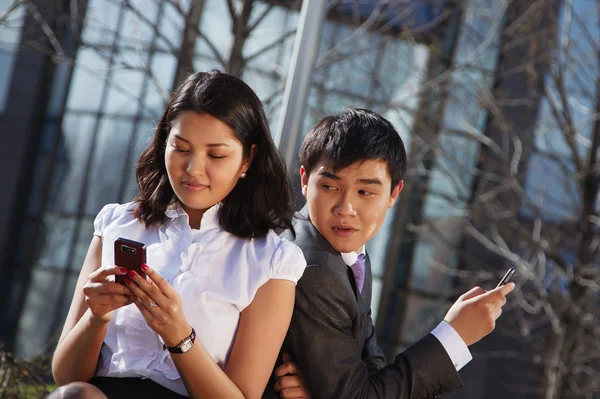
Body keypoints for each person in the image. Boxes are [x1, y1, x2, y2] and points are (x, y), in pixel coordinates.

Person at [48, 70, 306, 399]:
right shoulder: (117, 224)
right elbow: (66, 376)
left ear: (248, 159)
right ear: (164, 142)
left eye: (216, 155)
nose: (193, 169)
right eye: (181, 148)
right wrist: (97, 319)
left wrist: (179, 336)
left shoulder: (271, 262)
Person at [263, 109, 515, 399]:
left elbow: (371, 365)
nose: (345, 208)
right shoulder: (314, 267)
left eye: (365, 192)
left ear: (394, 193)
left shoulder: (348, 252)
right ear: (305, 181)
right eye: (330, 186)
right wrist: (454, 336)